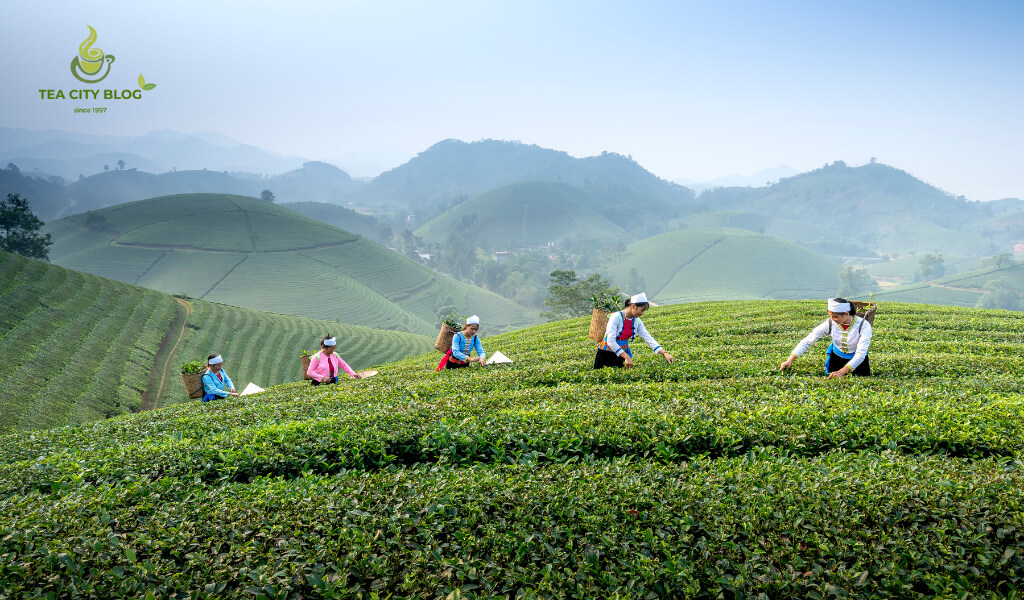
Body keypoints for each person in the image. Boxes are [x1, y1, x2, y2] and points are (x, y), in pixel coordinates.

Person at [780, 297, 873, 378]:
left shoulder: (863, 325)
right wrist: (790, 360)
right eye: (831, 316)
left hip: (859, 362)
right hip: (837, 358)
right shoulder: (830, 323)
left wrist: (841, 372)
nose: (833, 319)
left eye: (835, 317)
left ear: (846, 314)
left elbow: (861, 354)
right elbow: (809, 340)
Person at [594, 292, 674, 369]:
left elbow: (648, 338)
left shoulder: (637, 321)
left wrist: (664, 353)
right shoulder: (616, 317)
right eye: (642, 310)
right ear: (633, 306)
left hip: (621, 354)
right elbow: (610, 341)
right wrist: (626, 357)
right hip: (606, 354)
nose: (642, 313)